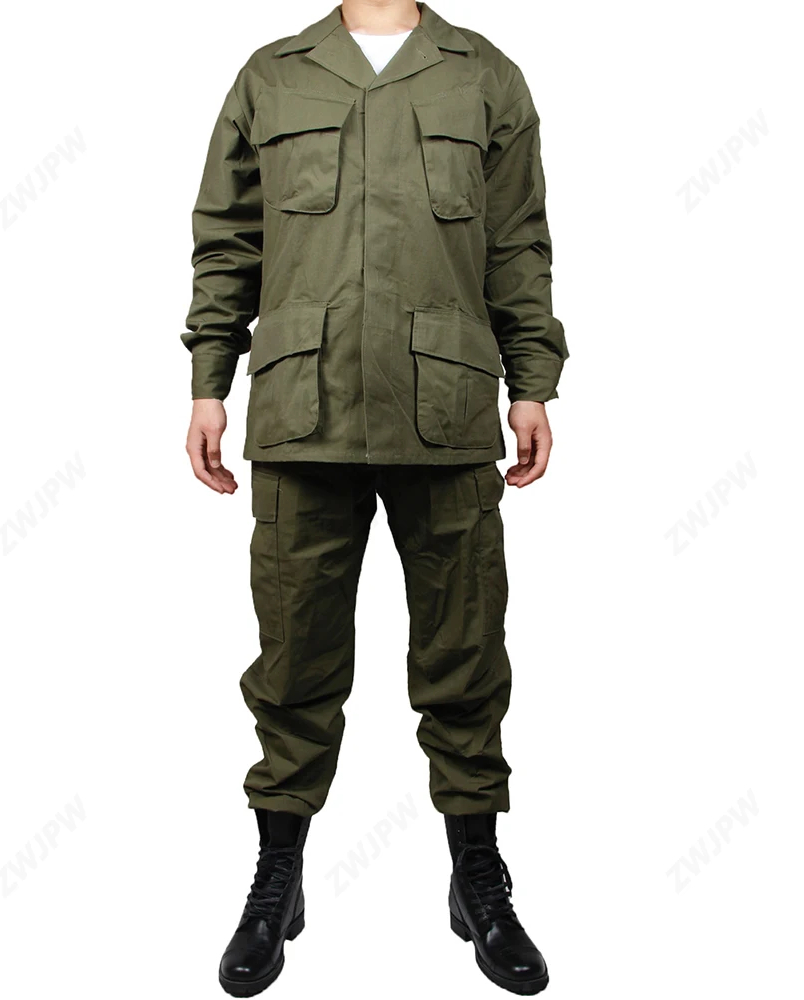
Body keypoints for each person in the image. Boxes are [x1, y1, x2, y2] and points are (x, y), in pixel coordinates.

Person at [181, 1, 567, 994]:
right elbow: (228, 242)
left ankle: (477, 876)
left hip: (445, 410)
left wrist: (532, 383)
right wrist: (208, 382)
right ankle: (278, 876)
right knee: (292, 657)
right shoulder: (273, 74)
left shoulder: (482, 73)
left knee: (466, 651)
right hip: (301, 410)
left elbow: (517, 244)